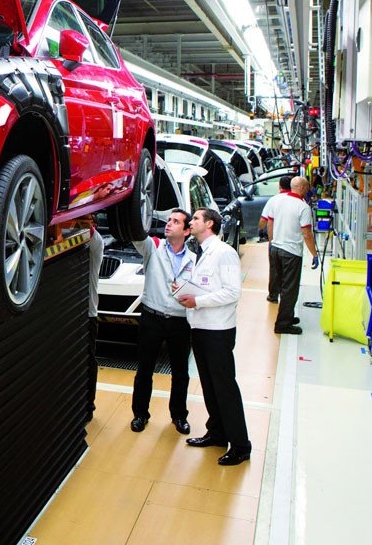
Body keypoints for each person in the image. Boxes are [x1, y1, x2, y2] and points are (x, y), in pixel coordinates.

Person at [176, 208, 251, 467]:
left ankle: (241, 445)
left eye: (195, 218)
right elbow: (209, 285)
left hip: (218, 330)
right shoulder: (201, 253)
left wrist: (197, 300)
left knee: (224, 386)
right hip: (200, 326)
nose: (191, 221)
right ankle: (217, 432)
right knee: (208, 384)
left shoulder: (224, 253)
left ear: (209, 224)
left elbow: (232, 292)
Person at [128, 209, 195, 435]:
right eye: (168, 221)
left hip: (180, 322)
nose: (168, 225)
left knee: (180, 372)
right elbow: (136, 233)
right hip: (152, 317)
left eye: (175, 222)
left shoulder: (194, 260)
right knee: (145, 369)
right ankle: (140, 414)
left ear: (187, 231)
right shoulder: (153, 247)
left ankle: (179, 415)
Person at [266, 175, 318, 335]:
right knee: (290, 289)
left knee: (282, 285)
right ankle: (283, 324)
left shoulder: (277, 200)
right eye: (307, 188)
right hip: (291, 252)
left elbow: (269, 222)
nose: (308, 191)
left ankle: (287, 316)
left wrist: (271, 242)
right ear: (302, 188)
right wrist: (314, 254)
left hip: (276, 248)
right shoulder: (303, 207)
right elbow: (307, 233)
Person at [259, 173, 293, 300]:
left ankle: (273, 295)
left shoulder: (273, 200)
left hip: (275, 241)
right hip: (291, 242)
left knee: (274, 269)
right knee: (289, 273)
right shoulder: (299, 201)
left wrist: (260, 230)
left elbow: (263, 221)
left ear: (279, 186)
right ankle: (286, 297)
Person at [85, 218, 104, 422]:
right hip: (75, 315)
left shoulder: (96, 242)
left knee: (88, 361)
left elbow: (89, 233)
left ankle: (89, 406)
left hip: (88, 314)